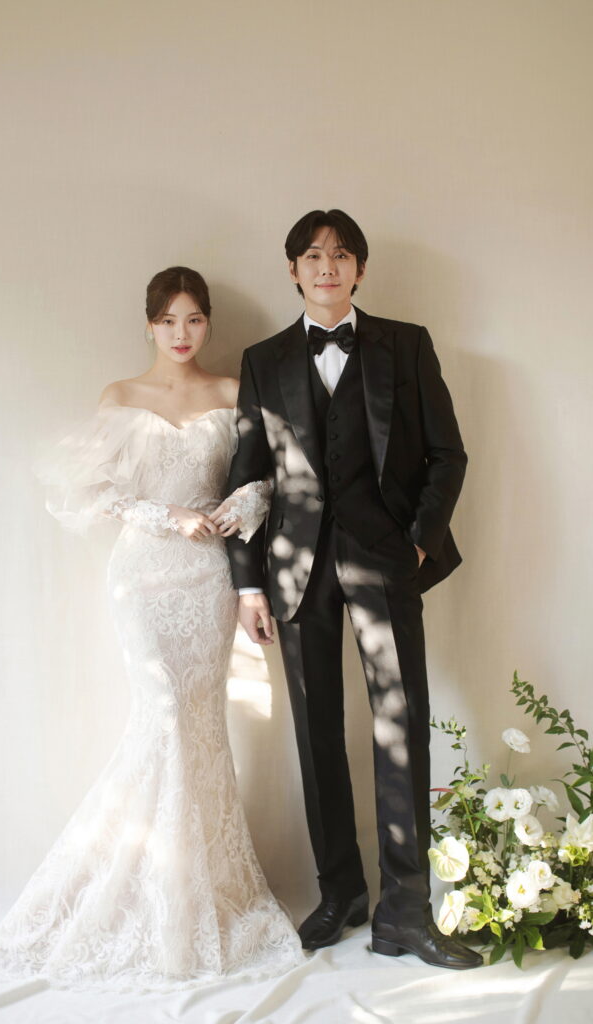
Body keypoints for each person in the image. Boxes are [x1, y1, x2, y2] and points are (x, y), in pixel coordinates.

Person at [0, 266, 303, 992]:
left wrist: (240, 505)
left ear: (207, 323)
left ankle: (202, 889)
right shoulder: (120, 396)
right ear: (148, 324)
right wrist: (165, 515)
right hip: (143, 575)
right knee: (165, 716)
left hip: (209, 577)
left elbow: (268, 474)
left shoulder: (231, 391)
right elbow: (94, 490)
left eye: (194, 320)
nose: (181, 334)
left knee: (201, 724)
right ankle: (140, 890)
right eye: (168, 321)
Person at [225, 210, 482, 969]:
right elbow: (248, 479)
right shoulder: (264, 359)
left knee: (400, 730)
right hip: (295, 569)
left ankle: (406, 912)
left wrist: (417, 542)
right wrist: (248, 585)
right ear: (294, 270)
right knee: (317, 736)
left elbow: (447, 454)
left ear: (360, 270)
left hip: (384, 560)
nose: (327, 266)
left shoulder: (406, 344)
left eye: (341, 255)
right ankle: (341, 894)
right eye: (313, 256)